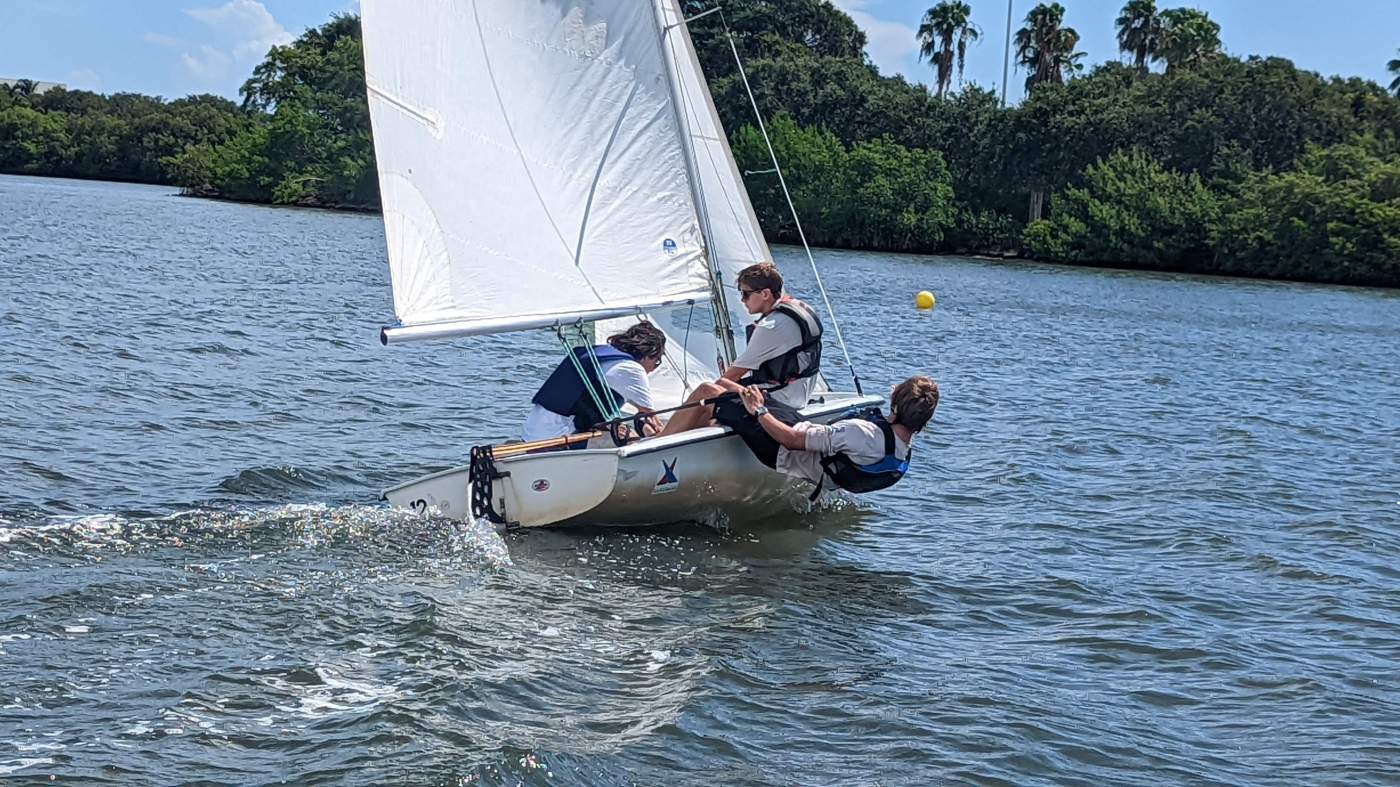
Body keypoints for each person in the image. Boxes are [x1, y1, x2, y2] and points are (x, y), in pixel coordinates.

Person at [658, 262, 823, 436]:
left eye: (745, 294)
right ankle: (685, 430)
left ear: (765, 294)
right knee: (722, 394)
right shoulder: (800, 308)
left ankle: (661, 440)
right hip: (798, 394)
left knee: (709, 390)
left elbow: (733, 375)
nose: (742, 300)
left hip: (782, 400)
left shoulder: (770, 327)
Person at [719, 375, 939, 496]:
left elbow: (791, 441)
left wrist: (759, 410)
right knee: (728, 386)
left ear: (897, 406)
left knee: (713, 392)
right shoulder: (902, 450)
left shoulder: (862, 433)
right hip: (803, 437)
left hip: (780, 450)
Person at [522, 321, 666, 445]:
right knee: (630, 436)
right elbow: (652, 419)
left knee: (623, 428)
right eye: (657, 361)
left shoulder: (601, 356)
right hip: (559, 438)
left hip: (531, 434)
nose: (653, 369)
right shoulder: (632, 370)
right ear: (648, 354)